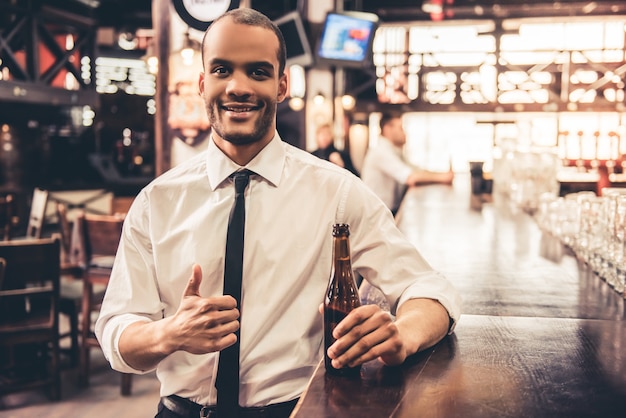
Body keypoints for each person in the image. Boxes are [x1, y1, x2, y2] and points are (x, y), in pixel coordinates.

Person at [95, 8, 461, 418]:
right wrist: (170, 333)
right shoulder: (156, 202)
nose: (237, 87)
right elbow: (115, 332)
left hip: (294, 410)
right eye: (221, 70)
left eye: (257, 71)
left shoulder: (336, 192)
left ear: (282, 84)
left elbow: (431, 290)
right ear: (202, 83)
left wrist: (402, 336)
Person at [361, 113, 454, 215]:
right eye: (401, 128)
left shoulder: (393, 151)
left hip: (387, 211)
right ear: (388, 129)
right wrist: (443, 177)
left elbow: (416, 170)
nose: (405, 133)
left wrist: (442, 174)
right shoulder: (381, 152)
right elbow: (411, 177)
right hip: (377, 215)